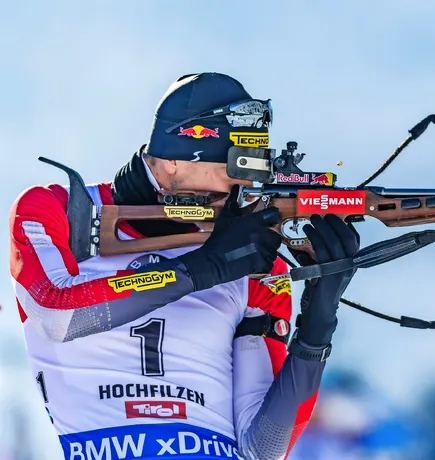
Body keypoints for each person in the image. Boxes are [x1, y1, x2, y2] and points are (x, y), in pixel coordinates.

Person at [8, 72, 360, 459]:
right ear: (174, 161)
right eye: (236, 169)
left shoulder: (255, 265)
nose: (244, 189)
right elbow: (56, 316)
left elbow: (263, 448)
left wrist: (317, 324)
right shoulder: (59, 210)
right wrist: (199, 270)